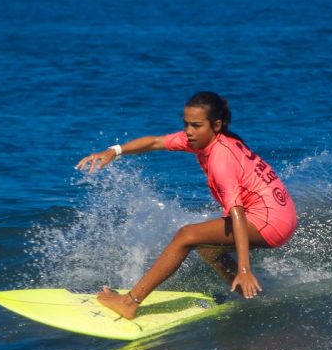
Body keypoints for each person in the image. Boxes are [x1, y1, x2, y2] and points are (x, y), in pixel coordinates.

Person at [76, 91, 297, 319]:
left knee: (187, 235)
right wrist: (114, 151)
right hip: (282, 212)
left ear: (216, 125)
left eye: (196, 125)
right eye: (186, 124)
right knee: (208, 249)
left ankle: (129, 303)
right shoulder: (203, 140)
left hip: (269, 220)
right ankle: (250, 296)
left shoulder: (221, 157)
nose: (189, 131)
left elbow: (237, 213)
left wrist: (244, 268)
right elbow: (155, 142)